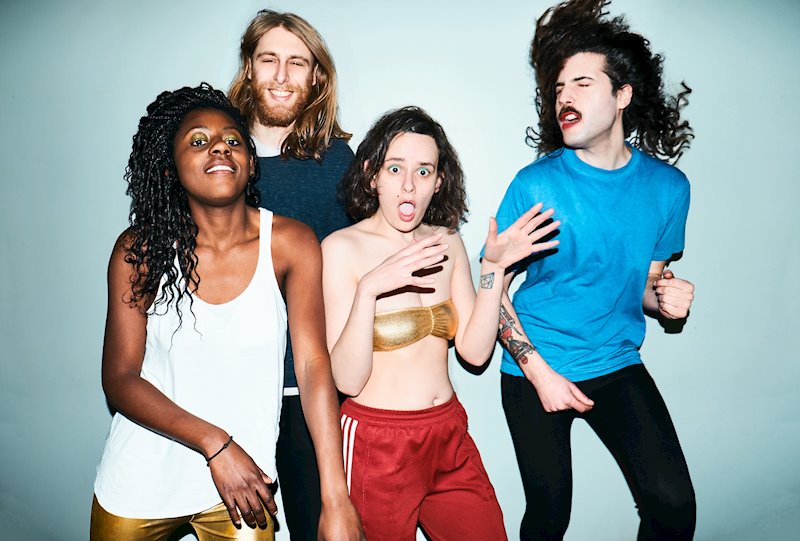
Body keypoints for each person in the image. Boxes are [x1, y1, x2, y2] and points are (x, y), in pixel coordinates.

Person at [91, 83, 359, 540]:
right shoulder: (140, 251)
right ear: (171, 168)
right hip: (139, 481)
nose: (219, 147)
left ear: (251, 162)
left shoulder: (291, 243)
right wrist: (216, 445)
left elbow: (314, 367)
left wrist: (336, 498)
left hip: (245, 491)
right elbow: (119, 379)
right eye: (198, 140)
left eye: (233, 140)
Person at [494, 1, 697, 539]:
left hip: (614, 359)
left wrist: (664, 297)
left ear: (622, 95)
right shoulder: (536, 185)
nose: (565, 97)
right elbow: (492, 291)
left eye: (582, 84)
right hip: (536, 362)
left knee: (673, 504)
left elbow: (646, 284)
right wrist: (540, 373)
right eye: (559, 88)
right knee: (549, 515)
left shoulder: (669, 189)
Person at [322, 106, 561, 541]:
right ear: (372, 175)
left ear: (439, 181)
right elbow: (346, 380)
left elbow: (475, 351)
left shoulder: (447, 241)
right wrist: (370, 289)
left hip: (447, 431)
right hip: (378, 440)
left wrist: (494, 270)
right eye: (395, 168)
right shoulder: (341, 248)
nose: (409, 185)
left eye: (423, 171)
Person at [228, 12, 357, 539]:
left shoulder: (338, 162)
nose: (282, 76)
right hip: (224, 388)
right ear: (249, 67)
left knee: (317, 526)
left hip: (306, 390)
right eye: (269, 60)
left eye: (297, 63)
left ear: (315, 75)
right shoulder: (216, 156)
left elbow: (365, 261)